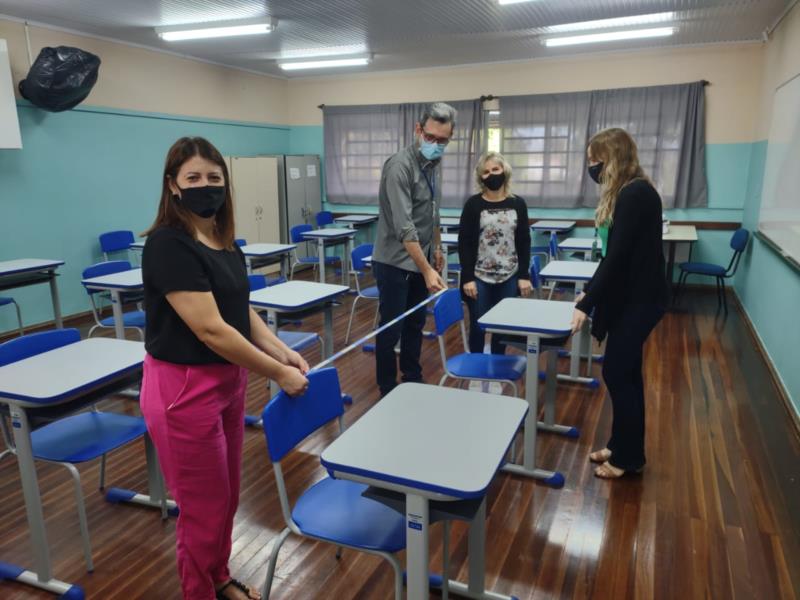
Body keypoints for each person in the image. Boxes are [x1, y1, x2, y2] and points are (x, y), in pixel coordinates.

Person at [140, 137, 309, 600]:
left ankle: (218, 576)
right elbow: (212, 330)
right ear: (172, 185)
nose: (205, 186)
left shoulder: (221, 237)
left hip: (228, 382)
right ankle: (199, 591)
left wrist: (280, 351)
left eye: (214, 177)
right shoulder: (167, 245)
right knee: (203, 509)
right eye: (193, 178)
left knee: (227, 497)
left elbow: (239, 310)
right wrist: (277, 374)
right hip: (183, 391)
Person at [570, 127, 669, 479]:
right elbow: (613, 256)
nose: (592, 167)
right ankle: (623, 445)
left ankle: (627, 458)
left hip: (640, 301)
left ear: (612, 159)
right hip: (633, 298)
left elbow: (619, 257)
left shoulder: (635, 194)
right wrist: (592, 293)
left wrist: (586, 303)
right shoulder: (631, 191)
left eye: (595, 160)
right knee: (626, 374)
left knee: (616, 372)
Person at [372, 103, 452, 397]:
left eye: (443, 141)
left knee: (416, 322)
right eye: (431, 138)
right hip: (395, 262)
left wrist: (438, 249)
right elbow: (404, 227)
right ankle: (386, 385)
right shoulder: (399, 166)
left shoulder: (433, 166)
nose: (436, 145)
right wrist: (427, 268)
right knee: (391, 327)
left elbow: (433, 212)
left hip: (423, 260)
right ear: (418, 130)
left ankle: (412, 375)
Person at [458, 152, 531, 392]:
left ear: (505, 171)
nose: (492, 175)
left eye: (495, 170)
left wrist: (524, 276)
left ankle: (498, 372)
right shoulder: (473, 204)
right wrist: (467, 277)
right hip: (479, 276)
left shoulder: (517, 203)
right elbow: (465, 243)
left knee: (501, 326)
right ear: (481, 177)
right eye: (486, 172)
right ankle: (476, 374)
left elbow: (524, 241)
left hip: (509, 275)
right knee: (478, 326)